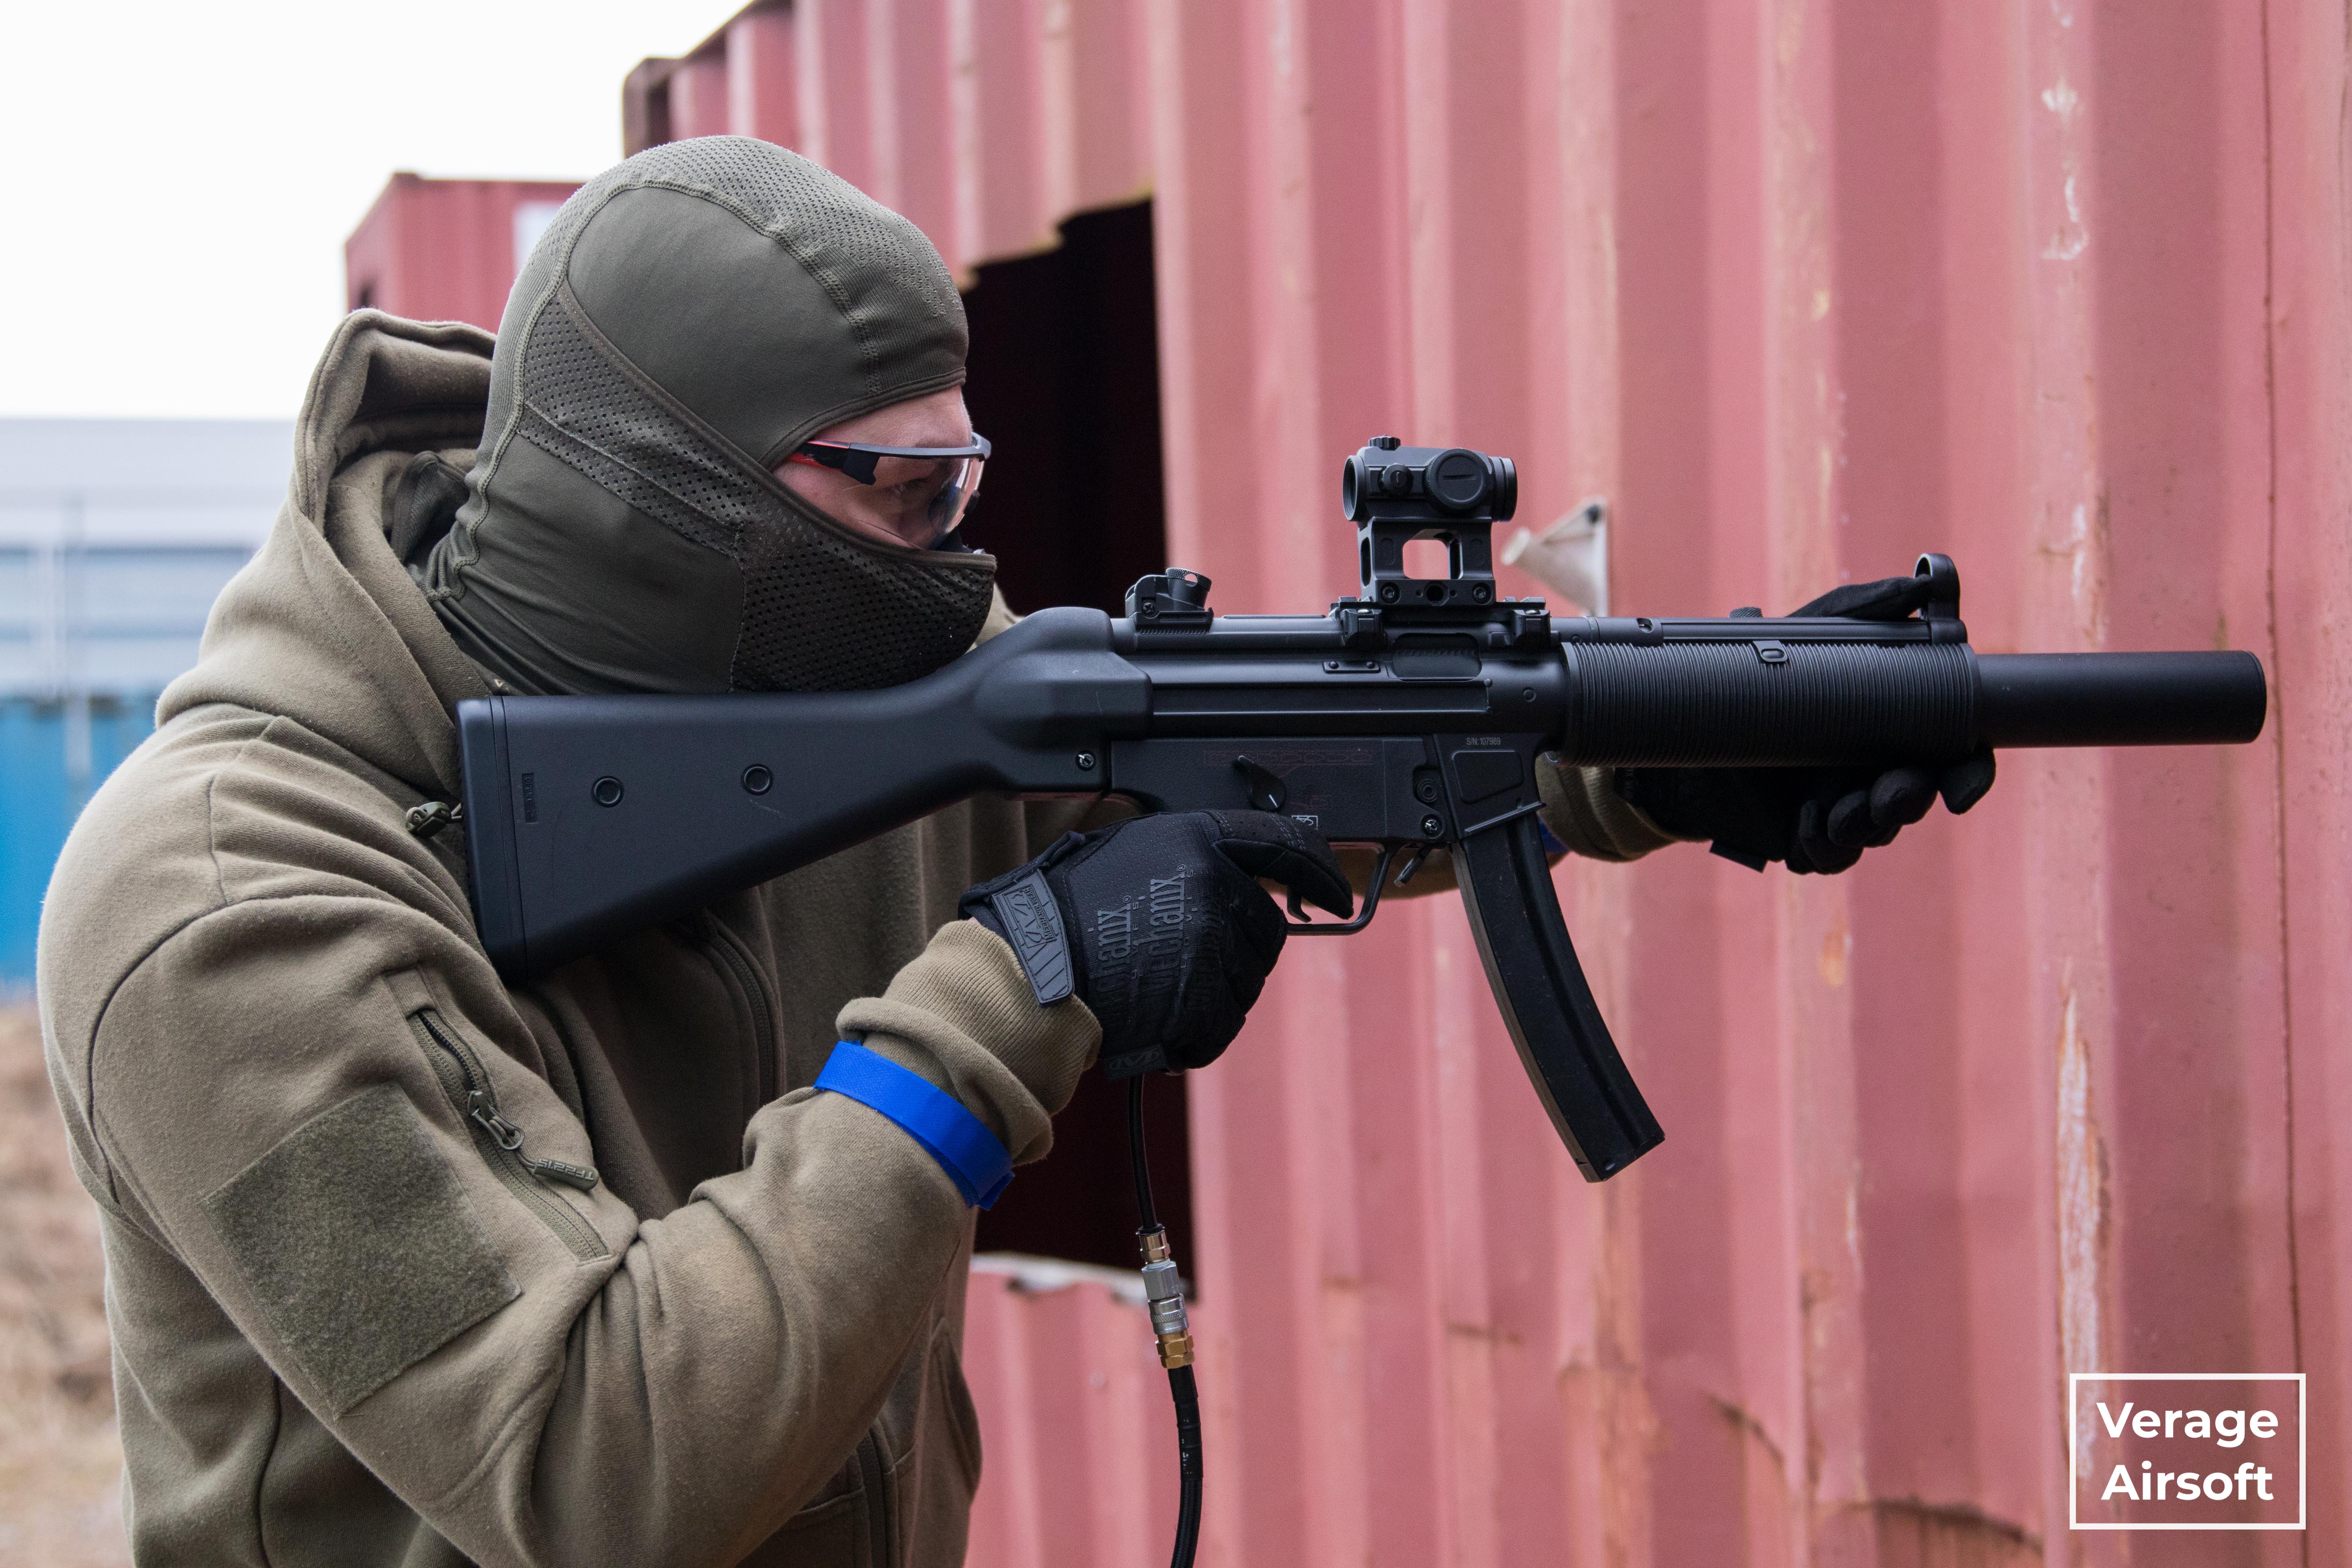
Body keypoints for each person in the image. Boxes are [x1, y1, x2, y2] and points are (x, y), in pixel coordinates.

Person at [36, 137, 1988, 1567]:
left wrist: (1644, 760)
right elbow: (605, 1477)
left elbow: (1255, 778)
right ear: (671, 511)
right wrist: (1011, 995)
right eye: (903, 490)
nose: (958, 553)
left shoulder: (819, 663)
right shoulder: (224, 913)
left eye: (963, 477)